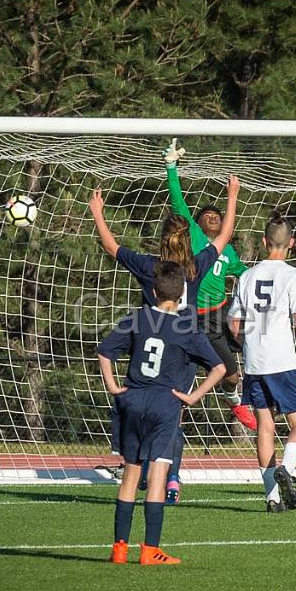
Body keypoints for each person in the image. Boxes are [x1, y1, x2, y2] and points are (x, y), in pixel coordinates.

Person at [89, 176, 237, 504]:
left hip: (149, 345)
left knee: (142, 412)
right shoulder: (196, 267)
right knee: (172, 417)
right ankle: (171, 479)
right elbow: (225, 236)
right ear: (189, 241)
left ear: (162, 239)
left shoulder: (149, 267)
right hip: (184, 349)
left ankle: (139, 471)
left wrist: (97, 212)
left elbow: (112, 247)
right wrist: (232, 196)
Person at [97, 262, 227, 565]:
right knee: (157, 476)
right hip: (165, 404)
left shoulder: (137, 318)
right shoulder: (186, 327)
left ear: (153, 290)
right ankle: (150, 551)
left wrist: (114, 387)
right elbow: (219, 368)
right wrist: (193, 396)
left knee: (130, 475)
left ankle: (119, 548)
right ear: (182, 293)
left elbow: (105, 352)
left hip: (132, 398)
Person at [228, 211, 296, 512]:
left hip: (254, 364)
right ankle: (287, 469)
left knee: (265, 427)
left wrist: (246, 345)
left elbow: (233, 323)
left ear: (264, 242)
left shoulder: (246, 276)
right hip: (283, 362)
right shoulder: (294, 275)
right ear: (292, 243)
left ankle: (272, 498)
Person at [163, 139, 256, 432]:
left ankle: (250, 391)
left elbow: (247, 274)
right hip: (195, 317)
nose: (214, 218)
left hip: (221, 314)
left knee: (239, 364)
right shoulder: (199, 243)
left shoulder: (227, 252)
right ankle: (230, 403)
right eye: (208, 216)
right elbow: (178, 201)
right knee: (215, 375)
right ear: (198, 225)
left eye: (218, 216)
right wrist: (171, 168)